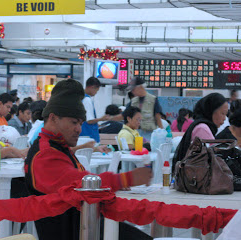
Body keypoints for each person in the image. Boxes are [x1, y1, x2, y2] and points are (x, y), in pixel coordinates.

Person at [24, 79, 152, 240]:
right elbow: (82, 184)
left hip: (89, 226)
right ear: (53, 118)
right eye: (73, 122)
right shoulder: (44, 154)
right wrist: (126, 178)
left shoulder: (59, 148)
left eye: (80, 123)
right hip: (77, 233)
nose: (78, 129)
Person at [172, 93, 228, 174]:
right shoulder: (202, 129)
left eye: (226, 114)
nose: (224, 118)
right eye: (222, 113)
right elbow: (216, 158)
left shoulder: (201, 126)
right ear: (211, 111)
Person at [113, 77, 163, 141]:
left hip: (149, 134)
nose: (132, 92)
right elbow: (124, 115)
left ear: (140, 87)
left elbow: (158, 118)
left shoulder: (153, 99)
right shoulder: (133, 101)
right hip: (135, 133)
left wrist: (161, 132)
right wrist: (110, 118)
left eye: (133, 89)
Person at [80, 77, 110, 142]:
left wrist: (97, 124)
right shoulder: (87, 100)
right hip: (88, 136)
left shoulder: (81, 98)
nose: (96, 93)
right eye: (97, 90)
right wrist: (101, 119)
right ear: (92, 87)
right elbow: (89, 121)